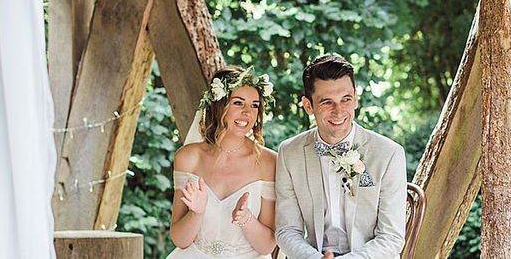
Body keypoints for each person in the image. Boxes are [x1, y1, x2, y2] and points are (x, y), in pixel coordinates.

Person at [275, 54, 406, 259]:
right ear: (308, 106)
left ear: (356, 98)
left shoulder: (389, 154)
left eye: (345, 99)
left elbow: (391, 237)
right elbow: (287, 230)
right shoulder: (289, 153)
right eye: (327, 102)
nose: (338, 111)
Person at [167, 66, 277, 259]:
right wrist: (196, 213)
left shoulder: (268, 162)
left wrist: (246, 219)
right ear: (219, 105)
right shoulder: (188, 158)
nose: (247, 113)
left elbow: (266, 247)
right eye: (238, 103)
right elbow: (180, 240)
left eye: (254, 105)